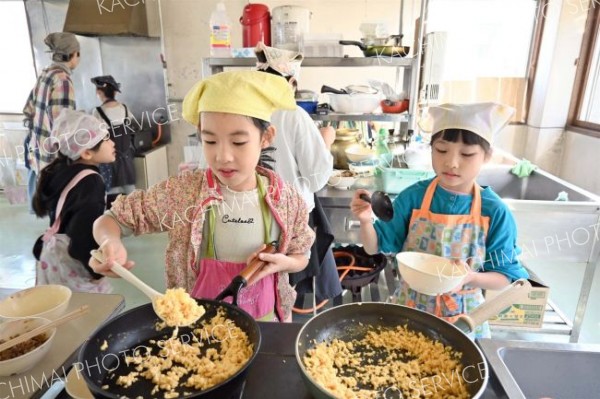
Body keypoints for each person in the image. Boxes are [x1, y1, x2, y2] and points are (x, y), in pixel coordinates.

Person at [89, 70, 315, 322]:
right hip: (197, 330)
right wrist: (109, 242)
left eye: (238, 142)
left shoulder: (285, 199)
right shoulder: (183, 194)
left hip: (266, 324)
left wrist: (283, 263)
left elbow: (301, 255)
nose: (223, 157)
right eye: (210, 141)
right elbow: (111, 219)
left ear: (266, 137)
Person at [351, 102, 529, 338]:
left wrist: (471, 277)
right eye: (441, 150)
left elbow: (505, 277)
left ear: (487, 156)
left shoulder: (495, 211)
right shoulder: (413, 197)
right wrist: (365, 221)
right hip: (409, 313)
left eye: (467, 154)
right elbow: (374, 247)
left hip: (463, 323)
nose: (452, 162)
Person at [254, 42, 341, 309]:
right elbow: (316, 178)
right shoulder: (294, 115)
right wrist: (326, 141)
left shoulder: (246, 110)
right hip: (290, 220)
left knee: (260, 279)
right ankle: (285, 324)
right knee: (285, 282)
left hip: (252, 216)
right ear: (291, 82)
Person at [32, 109, 115, 293]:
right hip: (74, 261)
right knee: (90, 314)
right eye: (106, 139)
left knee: (59, 306)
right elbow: (82, 236)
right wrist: (96, 271)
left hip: (52, 256)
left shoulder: (63, 170)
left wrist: (113, 203)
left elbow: (72, 207)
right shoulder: (92, 182)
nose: (112, 143)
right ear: (86, 153)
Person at [23, 32, 80, 210]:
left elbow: (28, 109)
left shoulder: (45, 74)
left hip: (39, 149)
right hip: (53, 156)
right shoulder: (62, 80)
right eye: (78, 54)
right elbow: (62, 124)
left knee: (54, 208)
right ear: (73, 55)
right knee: (61, 206)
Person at [91, 75, 136, 207]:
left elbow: (94, 136)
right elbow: (132, 128)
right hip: (127, 159)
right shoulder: (125, 109)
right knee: (131, 195)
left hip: (108, 160)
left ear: (99, 92)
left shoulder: (97, 112)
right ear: (115, 92)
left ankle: (114, 225)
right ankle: (133, 223)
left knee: (113, 199)